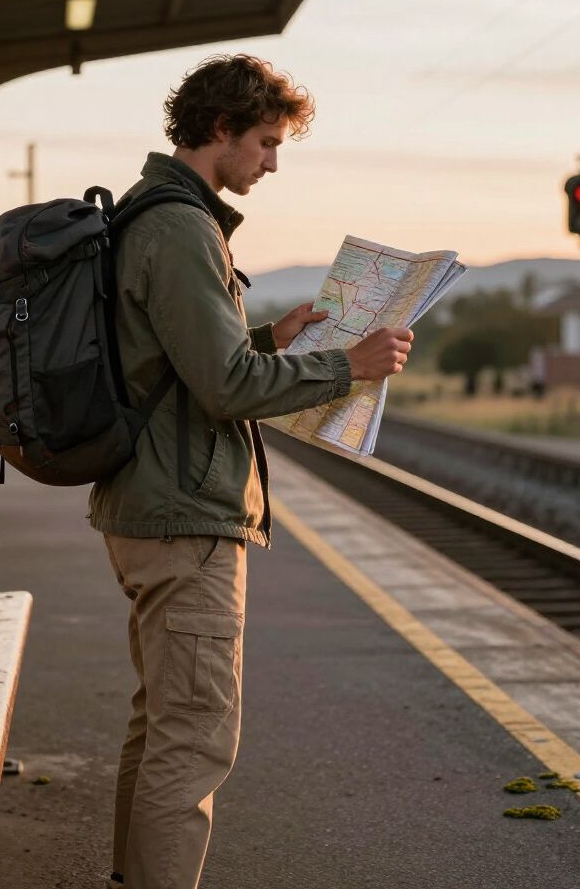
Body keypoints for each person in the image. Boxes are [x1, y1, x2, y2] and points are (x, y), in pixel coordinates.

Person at [89, 54, 413, 889]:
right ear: (221, 129)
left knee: (162, 722)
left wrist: (272, 335)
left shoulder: (153, 214)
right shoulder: (181, 228)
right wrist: (350, 365)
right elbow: (225, 386)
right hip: (185, 514)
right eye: (267, 142)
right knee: (194, 733)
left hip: (150, 501)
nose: (273, 162)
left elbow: (179, 360)